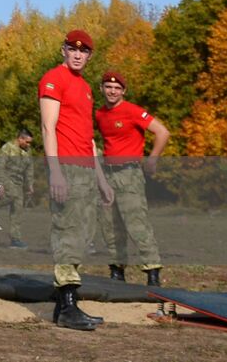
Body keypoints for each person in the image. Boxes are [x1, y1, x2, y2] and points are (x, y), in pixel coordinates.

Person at [39, 30, 115, 331]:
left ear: (90, 56)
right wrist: (55, 171)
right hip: (66, 166)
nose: (78, 55)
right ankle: (68, 306)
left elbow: (90, 139)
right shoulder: (54, 79)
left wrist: (102, 180)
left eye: (83, 52)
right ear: (64, 51)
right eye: (72, 49)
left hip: (85, 168)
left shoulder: (84, 87)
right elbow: (48, 127)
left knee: (83, 235)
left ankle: (65, 305)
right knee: (67, 231)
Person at [95, 70, 168, 286]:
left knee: (137, 223)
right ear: (101, 89)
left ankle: (152, 271)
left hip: (129, 174)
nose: (112, 91)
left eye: (117, 88)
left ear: (123, 91)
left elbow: (162, 132)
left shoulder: (132, 111)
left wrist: (152, 159)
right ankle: (117, 271)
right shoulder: (99, 114)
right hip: (108, 174)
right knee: (110, 225)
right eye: (108, 87)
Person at [0, 129, 34, 249]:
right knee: (13, 194)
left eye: (30, 143)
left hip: (19, 182)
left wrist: (30, 184)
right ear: (20, 139)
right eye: (27, 142)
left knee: (17, 211)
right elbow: (0, 167)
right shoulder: (8, 148)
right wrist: (0, 183)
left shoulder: (28, 151)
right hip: (6, 178)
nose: (28, 145)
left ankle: (15, 239)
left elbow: (29, 169)